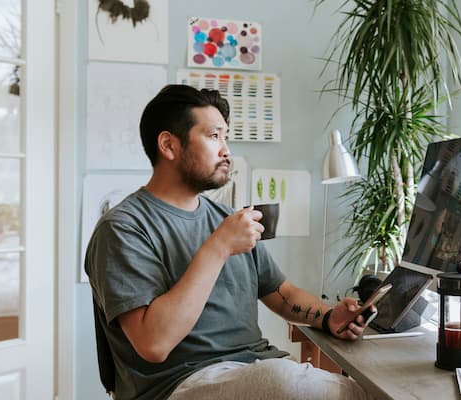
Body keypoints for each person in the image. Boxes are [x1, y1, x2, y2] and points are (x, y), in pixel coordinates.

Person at [85, 85, 372, 400]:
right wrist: (218, 247)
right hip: (177, 386)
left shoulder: (225, 218)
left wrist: (330, 316)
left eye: (225, 137)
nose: (226, 150)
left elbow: (282, 293)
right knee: (288, 384)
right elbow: (153, 344)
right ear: (168, 144)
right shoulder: (123, 229)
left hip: (253, 366)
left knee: (350, 384)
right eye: (213, 136)